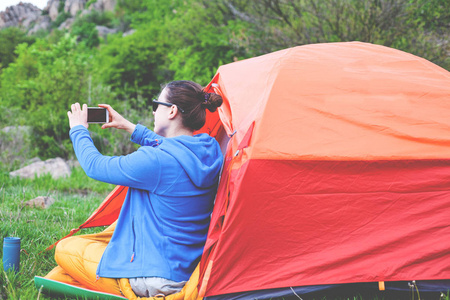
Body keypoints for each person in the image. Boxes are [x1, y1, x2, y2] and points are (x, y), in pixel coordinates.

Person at [46, 80, 224, 298]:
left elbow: (95, 166)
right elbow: (172, 148)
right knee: (71, 265)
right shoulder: (209, 148)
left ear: (172, 111)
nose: (153, 111)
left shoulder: (155, 160)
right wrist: (131, 127)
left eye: (156, 104)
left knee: (65, 249)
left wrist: (78, 130)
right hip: (185, 270)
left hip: (152, 279)